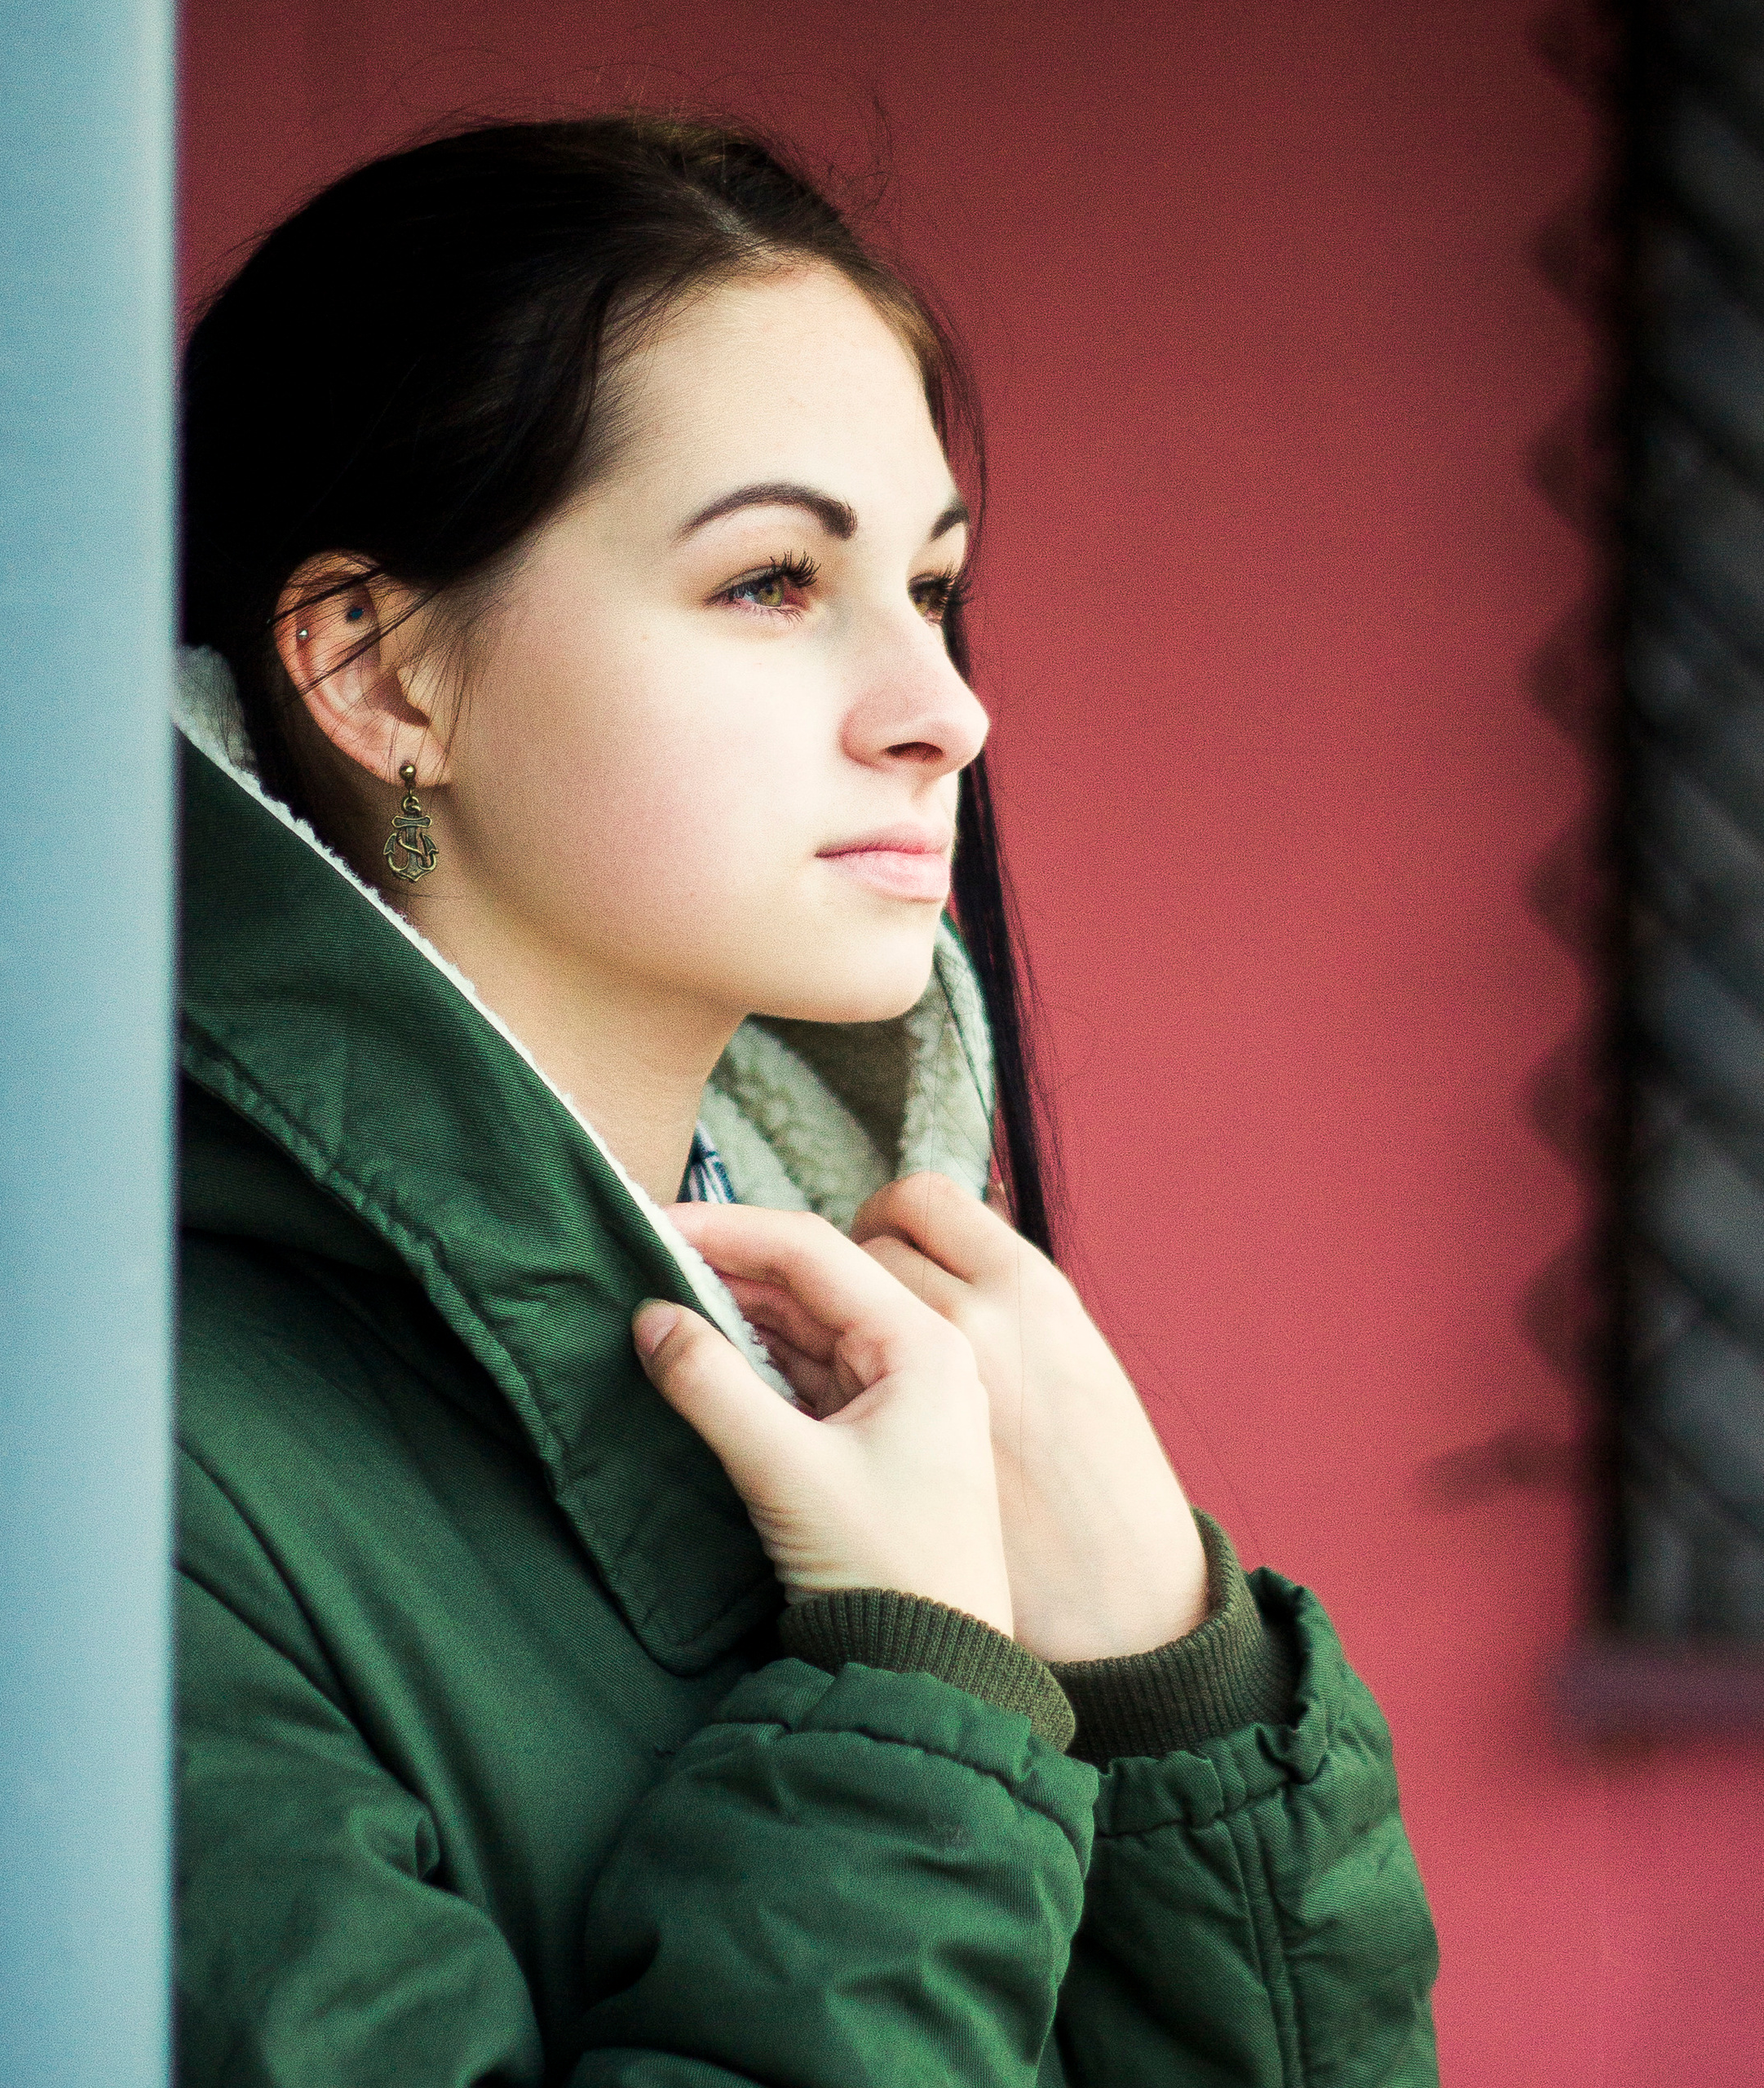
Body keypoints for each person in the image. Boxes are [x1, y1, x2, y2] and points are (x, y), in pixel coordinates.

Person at [173, 112, 1439, 2086]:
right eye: (773, 580)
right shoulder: (115, 1481)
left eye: (932, 583)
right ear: (377, 670)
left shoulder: (909, 1387)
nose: (944, 704)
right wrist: (915, 1690)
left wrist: (1159, 1673)